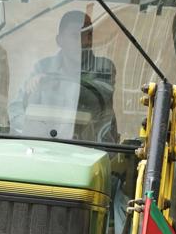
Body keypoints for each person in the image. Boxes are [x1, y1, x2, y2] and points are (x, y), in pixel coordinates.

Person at [9, 10, 117, 140]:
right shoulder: (42, 67)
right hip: (43, 144)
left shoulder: (103, 67)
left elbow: (99, 96)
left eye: (88, 35)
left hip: (91, 146)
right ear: (59, 40)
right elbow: (17, 108)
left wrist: (51, 80)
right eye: (76, 36)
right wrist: (30, 133)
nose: (86, 42)